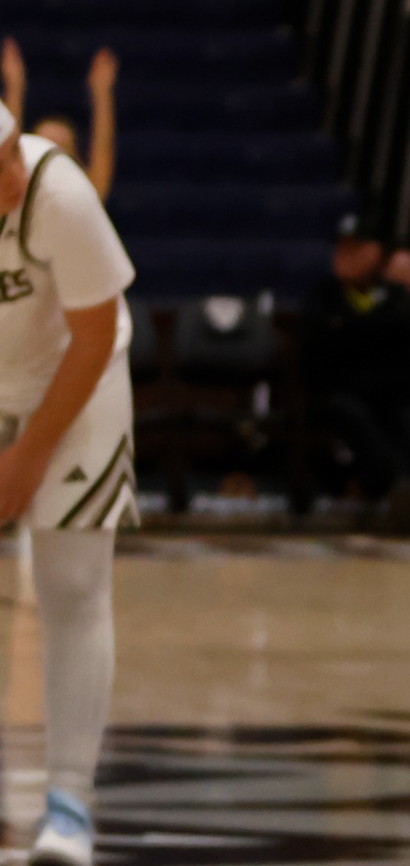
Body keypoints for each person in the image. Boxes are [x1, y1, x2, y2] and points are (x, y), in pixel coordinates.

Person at [0, 98, 135, 866]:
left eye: (10, 153)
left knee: (72, 584)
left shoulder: (61, 195)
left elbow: (92, 337)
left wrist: (27, 456)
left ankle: (68, 809)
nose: (13, 176)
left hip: (79, 382)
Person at [300, 212, 410, 527]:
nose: (343, 256)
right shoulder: (322, 294)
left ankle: (401, 495)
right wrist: (371, 330)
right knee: (351, 412)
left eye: (354, 248)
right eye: (340, 248)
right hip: (337, 392)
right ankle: (399, 489)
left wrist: (347, 328)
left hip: (388, 390)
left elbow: (405, 342)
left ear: (376, 253)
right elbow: (316, 348)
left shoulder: (397, 295)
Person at [1, 39, 118, 201]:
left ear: (76, 162)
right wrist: (14, 85)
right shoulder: (17, 193)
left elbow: (102, 151)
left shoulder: (83, 195)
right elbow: (8, 144)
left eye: (60, 149)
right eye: (46, 147)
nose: (51, 162)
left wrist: (102, 92)